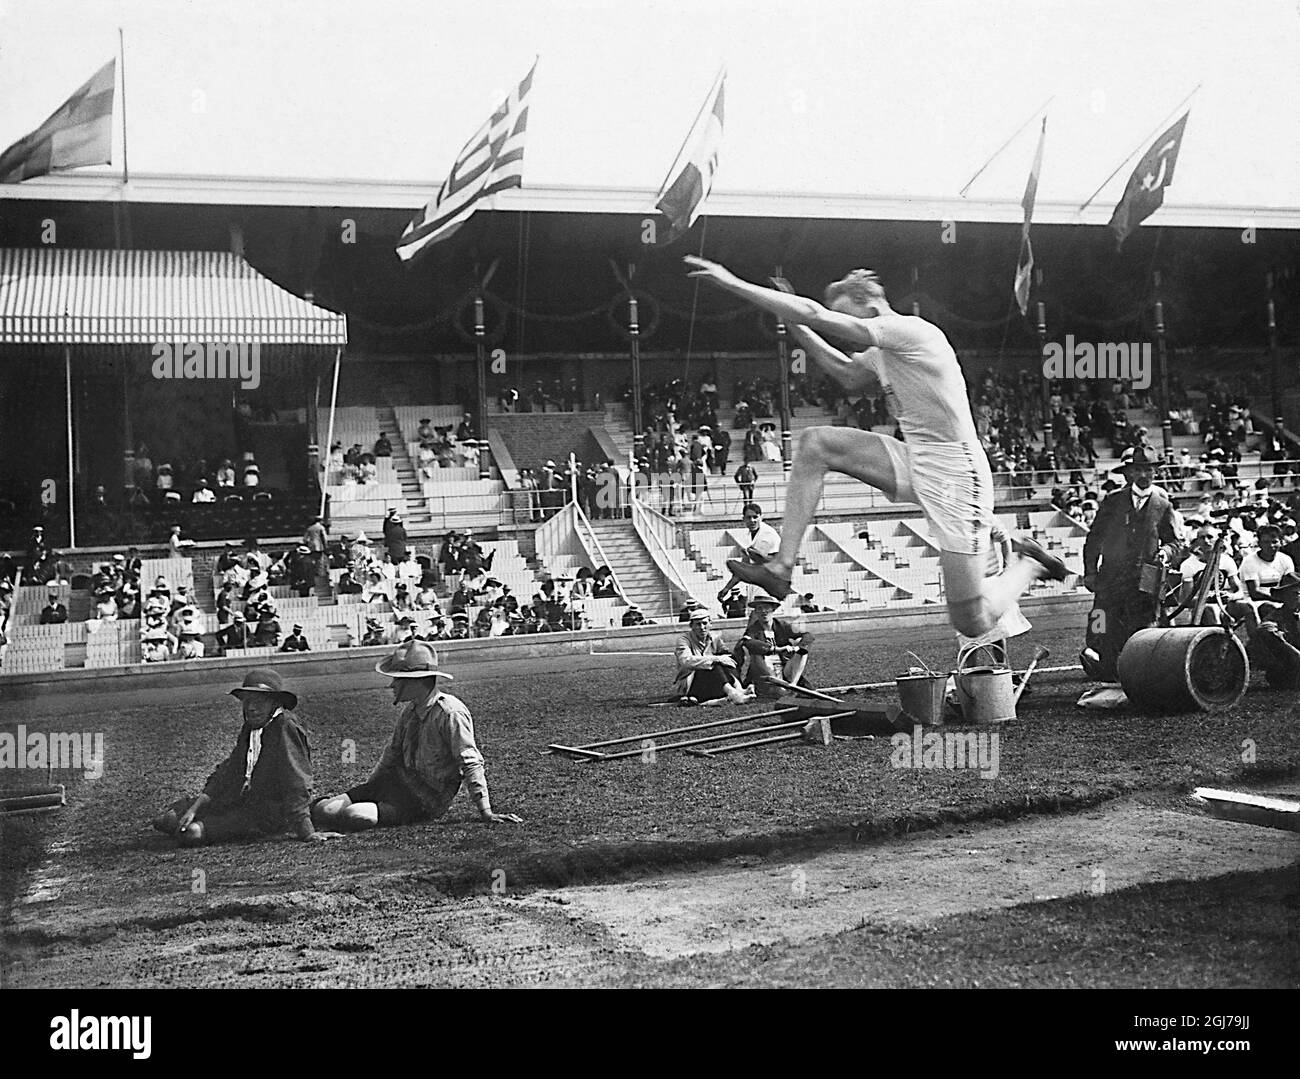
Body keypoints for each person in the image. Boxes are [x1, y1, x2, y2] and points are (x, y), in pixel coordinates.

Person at [684, 257, 1066, 641]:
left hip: (956, 473)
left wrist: (734, 282)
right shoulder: (882, 351)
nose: (843, 329)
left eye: (844, 314)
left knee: (971, 619)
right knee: (815, 444)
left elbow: (816, 314)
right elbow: (846, 373)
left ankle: (1029, 564)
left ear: (866, 302)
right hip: (917, 458)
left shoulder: (909, 331)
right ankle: (781, 568)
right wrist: (795, 320)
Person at [311, 641, 522, 830]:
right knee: (325, 810)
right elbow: (391, 754)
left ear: (416, 681)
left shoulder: (450, 713)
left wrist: (486, 810)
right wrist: (370, 788)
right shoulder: (410, 712)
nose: (392, 685)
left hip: (423, 800)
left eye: (398, 679)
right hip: (393, 784)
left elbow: (470, 762)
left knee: (354, 814)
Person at [151, 669, 341, 846]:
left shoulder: (284, 726)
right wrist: (195, 807)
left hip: (265, 811)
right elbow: (230, 770)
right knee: (167, 819)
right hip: (236, 800)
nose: (251, 708)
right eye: (247, 701)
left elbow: (296, 780)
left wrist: (306, 831)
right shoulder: (251, 727)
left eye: (259, 701)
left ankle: (278, 825)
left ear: (274, 702)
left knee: (191, 833)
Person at [1081, 446, 1184, 680]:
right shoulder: (1112, 501)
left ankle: (1141, 673)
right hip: (1111, 575)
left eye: (1148, 470)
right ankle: (1098, 659)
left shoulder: (1163, 505)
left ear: (1155, 473)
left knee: (1144, 624)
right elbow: (1094, 538)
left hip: (1146, 576)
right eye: (1139, 470)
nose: (1144, 475)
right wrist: (1089, 572)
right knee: (1100, 618)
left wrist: (1166, 552)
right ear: (1129, 473)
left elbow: (1176, 543)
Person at [733, 595, 814, 698]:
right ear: (756, 612)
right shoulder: (753, 629)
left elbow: (808, 635)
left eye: (766, 608)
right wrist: (777, 649)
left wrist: (797, 647)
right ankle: (781, 690)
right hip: (765, 670)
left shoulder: (781, 625)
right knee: (757, 654)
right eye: (760, 608)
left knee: (803, 652)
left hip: (784, 669)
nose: (764, 611)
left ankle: (793, 685)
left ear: (773, 609)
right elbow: (748, 643)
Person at [673, 608, 755, 705]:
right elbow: (686, 661)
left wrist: (739, 647)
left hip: (710, 682)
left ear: (710, 624)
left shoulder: (715, 638)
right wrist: (716, 658)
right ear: (692, 626)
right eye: (698, 624)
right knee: (715, 662)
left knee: (725, 660)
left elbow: (728, 657)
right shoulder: (684, 640)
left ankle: (738, 689)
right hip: (689, 683)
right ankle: (732, 693)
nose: (702, 627)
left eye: (704, 623)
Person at [716, 503, 781, 602]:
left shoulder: (768, 535)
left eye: (755, 517)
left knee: (763, 615)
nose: (752, 521)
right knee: (753, 615)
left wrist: (759, 556)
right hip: (755, 586)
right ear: (744, 519)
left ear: (761, 517)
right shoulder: (748, 536)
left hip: (769, 586)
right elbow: (744, 567)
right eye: (749, 517)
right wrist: (727, 588)